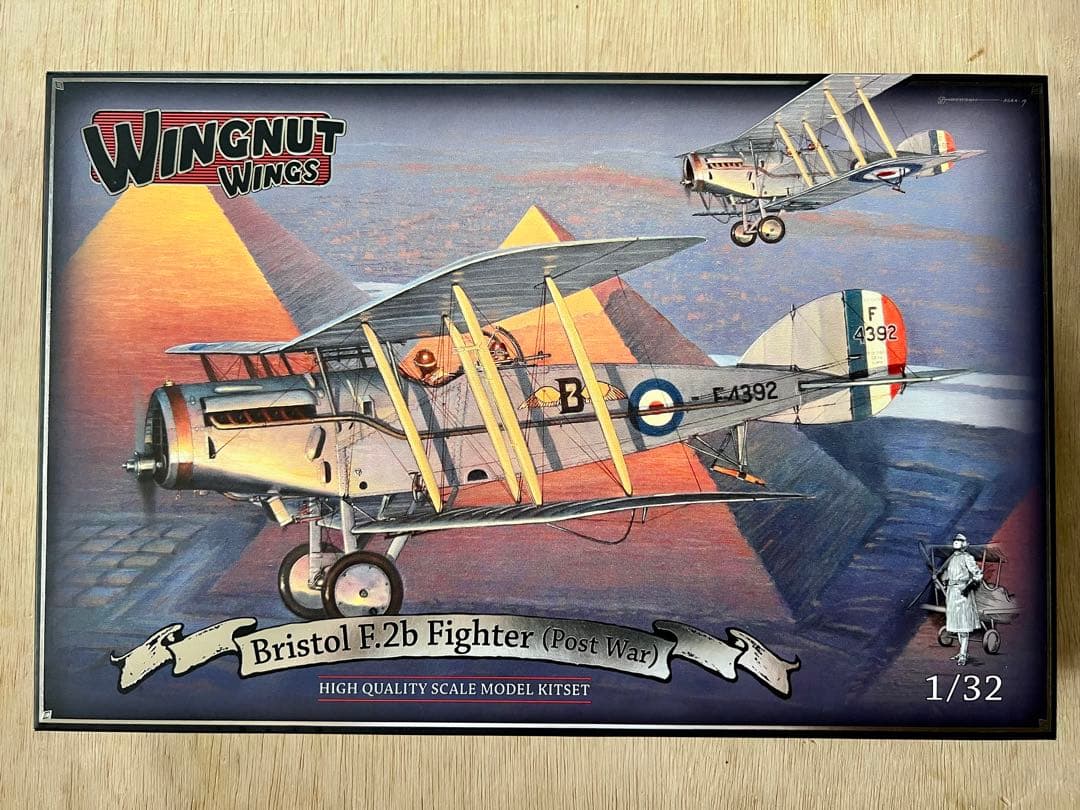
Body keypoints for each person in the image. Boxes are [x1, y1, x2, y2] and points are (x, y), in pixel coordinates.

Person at [942, 532, 983, 666]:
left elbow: (978, 574)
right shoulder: (952, 558)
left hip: (962, 593)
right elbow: (948, 574)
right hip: (952, 593)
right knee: (957, 624)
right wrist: (944, 581)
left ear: (964, 544)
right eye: (955, 540)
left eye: (959, 540)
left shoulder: (967, 557)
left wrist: (968, 586)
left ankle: (963, 655)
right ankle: (962, 652)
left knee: (963, 625)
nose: (956, 542)